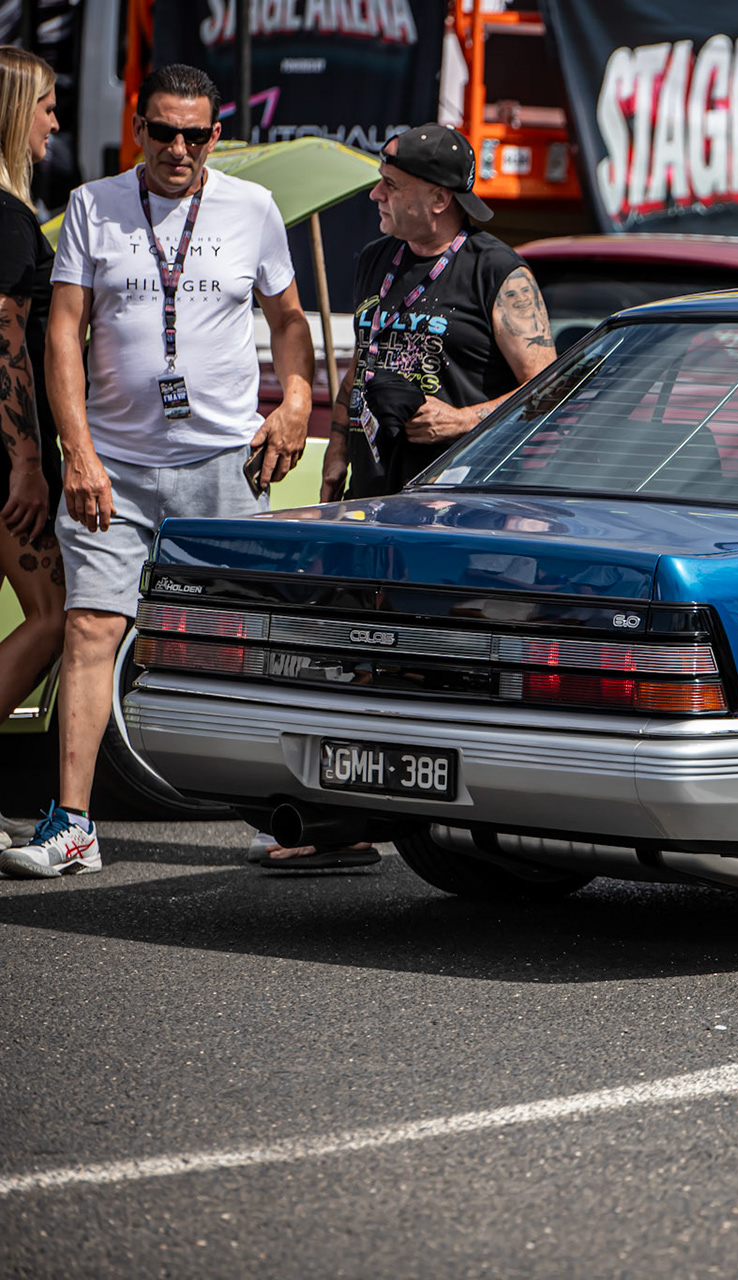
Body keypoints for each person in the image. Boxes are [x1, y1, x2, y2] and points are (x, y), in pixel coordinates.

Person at [0, 64, 314, 879]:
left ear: (217, 135)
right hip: (116, 467)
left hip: (225, 463)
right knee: (89, 628)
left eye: (195, 134)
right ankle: (73, 825)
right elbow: (62, 332)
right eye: (163, 131)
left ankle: (280, 814)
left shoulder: (253, 208)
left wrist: (296, 400)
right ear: (138, 129)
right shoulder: (93, 205)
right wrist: (78, 453)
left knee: (245, 640)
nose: (178, 148)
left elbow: (288, 320)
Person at [320, 124, 554, 503]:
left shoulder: (496, 270)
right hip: (370, 497)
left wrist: (461, 421)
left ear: (439, 199)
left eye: (391, 185)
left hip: (456, 504)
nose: (376, 194)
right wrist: (338, 448)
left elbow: (550, 388)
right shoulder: (375, 258)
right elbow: (364, 361)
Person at [0, 48, 60, 854]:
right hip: (6, 455)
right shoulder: (9, 220)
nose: (54, 120)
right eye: (45, 105)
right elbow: (5, 343)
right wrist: (26, 462)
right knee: (52, 617)